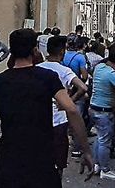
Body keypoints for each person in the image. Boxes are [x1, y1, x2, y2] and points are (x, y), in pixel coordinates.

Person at [0, 28, 93, 188]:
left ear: (12, 51)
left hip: (9, 158)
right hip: (42, 157)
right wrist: (86, 150)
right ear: (34, 50)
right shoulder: (47, 77)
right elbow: (72, 109)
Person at [38, 34, 88, 180]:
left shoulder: (37, 68)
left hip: (40, 119)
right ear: (62, 52)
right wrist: (69, 101)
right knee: (58, 162)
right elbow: (83, 87)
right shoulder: (64, 71)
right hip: (59, 121)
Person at [90, 43, 115, 181]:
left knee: (100, 138)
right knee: (105, 140)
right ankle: (105, 169)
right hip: (104, 110)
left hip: (94, 107)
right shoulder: (113, 75)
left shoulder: (99, 68)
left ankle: (96, 164)